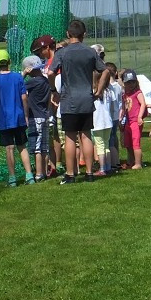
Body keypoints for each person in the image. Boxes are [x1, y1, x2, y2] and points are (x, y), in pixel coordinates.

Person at [44, 19, 110, 184]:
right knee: (86, 134)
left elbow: (51, 73)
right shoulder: (90, 52)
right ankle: (89, 172)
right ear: (84, 34)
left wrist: (54, 91)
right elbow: (106, 71)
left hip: (69, 99)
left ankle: (71, 174)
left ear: (68, 34)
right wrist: (99, 90)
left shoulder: (63, 53)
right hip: (87, 98)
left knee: (70, 137)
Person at [0, 49, 34, 187]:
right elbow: (24, 98)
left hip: (4, 120)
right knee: (22, 146)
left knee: (9, 148)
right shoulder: (18, 77)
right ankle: (29, 175)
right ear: (9, 61)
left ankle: (12, 179)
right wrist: (26, 115)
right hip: (18, 117)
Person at [22, 54, 54, 182]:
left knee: (37, 147)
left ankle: (39, 174)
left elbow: (17, 85)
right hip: (44, 115)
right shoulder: (45, 80)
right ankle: (44, 171)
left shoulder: (33, 82)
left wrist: (23, 74)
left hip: (35, 117)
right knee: (44, 146)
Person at [119, 69, 147, 170]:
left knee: (136, 143)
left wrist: (139, 117)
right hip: (127, 122)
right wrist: (121, 118)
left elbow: (143, 104)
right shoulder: (124, 94)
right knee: (128, 143)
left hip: (135, 121)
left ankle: (138, 163)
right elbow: (123, 107)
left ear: (136, 82)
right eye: (128, 82)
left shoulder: (137, 92)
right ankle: (131, 160)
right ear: (124, 83)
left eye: (132, 82)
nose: (130, 84)